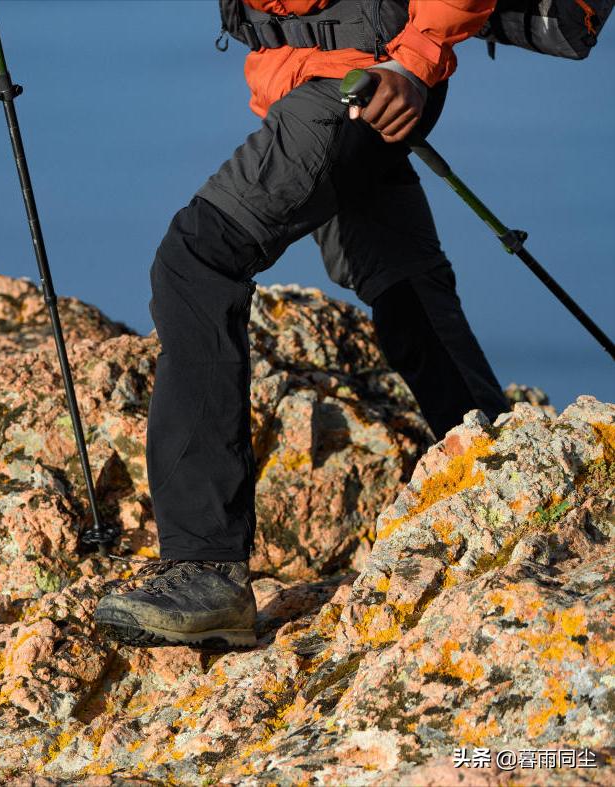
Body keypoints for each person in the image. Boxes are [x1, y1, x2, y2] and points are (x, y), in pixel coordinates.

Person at [93, 0, 510, 648]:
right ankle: (506, 475)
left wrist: (413, 62)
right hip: (329, 80)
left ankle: (207, 569)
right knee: (402, 285)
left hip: (364, 83)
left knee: (195, 263)